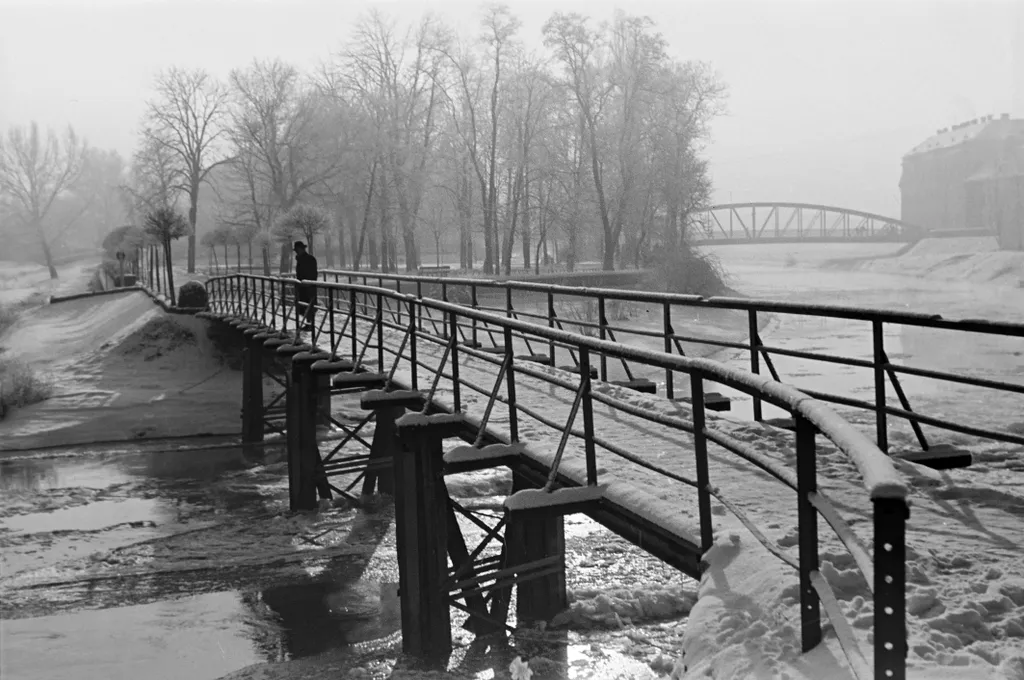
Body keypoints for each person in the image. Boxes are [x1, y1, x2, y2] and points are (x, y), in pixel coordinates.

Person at [294, 241, 318, 332]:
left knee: (308, 305)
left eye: (297, 250)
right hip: (304, 285)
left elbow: (310, 273)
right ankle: (308, 324)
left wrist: (305, 282)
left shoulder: (308, 259)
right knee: (305, 305)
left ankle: (310, 325)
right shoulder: (306, 259)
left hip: (308, 285)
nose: (296, 252)